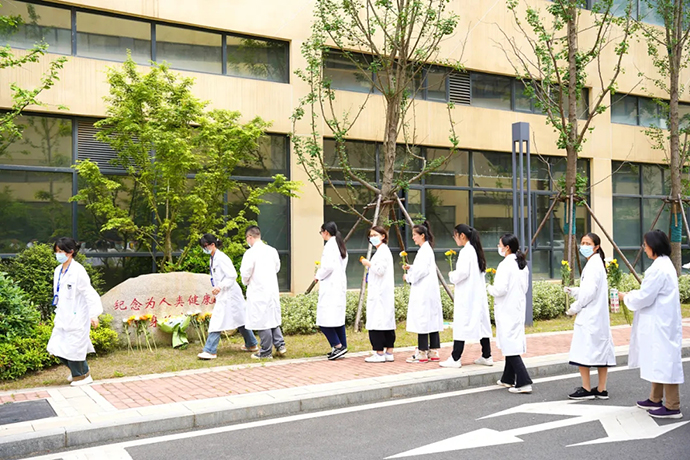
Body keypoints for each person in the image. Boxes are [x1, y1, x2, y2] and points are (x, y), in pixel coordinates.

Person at [620, 230, 684, 419]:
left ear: (654, 246)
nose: (644, 248)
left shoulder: (658, 269)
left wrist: (626, 297)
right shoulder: (664, 265)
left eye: (646, 245)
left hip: (661, 323)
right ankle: (655, 398)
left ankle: (672, 406)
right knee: (659, 359)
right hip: (661, 321)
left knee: (665, 361)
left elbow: (644, 296)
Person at [564, 232, 615, 400]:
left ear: (596, 247)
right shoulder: (596, 263)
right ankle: (601, 389)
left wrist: (574, 308)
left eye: (588, 243)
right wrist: (574, 291)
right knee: (601, 351)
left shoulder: (593, 265)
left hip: (590, 316)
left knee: (583, 351)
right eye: (583, 242)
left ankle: (586, 388)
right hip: (597, 316)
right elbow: (590, 290)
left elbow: (589, 293)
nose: (584, 246)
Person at [46, 237, 103, 386]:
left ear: (70, 252)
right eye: (56, 251)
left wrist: (94, 314)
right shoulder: (58, 271)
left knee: (74, 348)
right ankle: (79, 371)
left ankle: (82, 376)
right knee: (56, 347)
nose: (58, 254)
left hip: (77, 316)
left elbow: (89, 293)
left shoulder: (78, 270)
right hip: (63, 315)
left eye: (61, 251)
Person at [197, 233, 258, 360]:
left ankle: (210, 350)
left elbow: (232, 275)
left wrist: (220, 287)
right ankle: (251, 344)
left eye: (205, 246)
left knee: (217, 321)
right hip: (225, 293)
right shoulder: (213, 258)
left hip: (230, 293)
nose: (204, 248)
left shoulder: (221, 258)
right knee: (240, 318)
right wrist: (217, 291)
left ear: (212, 245)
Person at [440, 224, 493, 368]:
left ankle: (455, 357)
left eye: (455, 236)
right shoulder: (475, 250)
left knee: (461, 325)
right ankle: (487, 355)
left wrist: (452, 275)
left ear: (462, 235)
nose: (455, 239)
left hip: (467, 295)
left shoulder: (466, 252)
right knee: (481, 325)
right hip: (476, 295)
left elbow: (462, 273)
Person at [488, 233, 533, 394]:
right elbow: (525, 288)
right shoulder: (521, 264)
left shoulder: (505, 265)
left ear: (507, 247)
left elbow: (500, 289)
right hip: (516, 307)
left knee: (510, 345)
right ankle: (507, 378)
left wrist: (489, 288)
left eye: (500, 245)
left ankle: (524, 382)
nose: (498, 247)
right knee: (510, 342)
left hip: (507, 309)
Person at [240, 226, 286, 359]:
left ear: (250, 237)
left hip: (258, 290)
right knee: (272, 318)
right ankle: (280, 345)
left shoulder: (250, 253)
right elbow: (277, 267)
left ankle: (266, 351)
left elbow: (245, 273)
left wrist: (246, 282)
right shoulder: (272, 250)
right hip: (271, 290)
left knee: (262, 321)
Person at [403, 221, 443, 363]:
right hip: (428, 291)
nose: (413, 237)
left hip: (424, 292)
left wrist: (408, 277)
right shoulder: (426, 249)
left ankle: (422, 352)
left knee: (423, 320)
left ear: (422, 235)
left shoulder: (424, 251)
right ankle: (433, 350)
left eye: (415, 235)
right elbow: (422, 268)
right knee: (431, 320)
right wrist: (412, 267)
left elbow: (421, 271)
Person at [360, 226, 396, 363]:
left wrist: (368, 263)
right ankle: (389, 352)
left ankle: (379, 353)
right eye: (371, 236)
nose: (372, 238)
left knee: (377, 323)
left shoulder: (382, 252)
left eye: (375, 235)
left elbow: (380, 270)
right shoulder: (382, 251)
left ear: (383, 236)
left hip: (380, 293)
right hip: (382, 292)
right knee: (386, 322)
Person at [315, 221, 349, 360]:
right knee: (337, 319)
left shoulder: (330, 246)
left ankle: (337, 345)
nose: (321, 235)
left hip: (331, 287)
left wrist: (318, 275)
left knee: (324, 321)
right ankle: (342, 346)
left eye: (321, 232)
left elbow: (328, 267)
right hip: (338, 285)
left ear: (326, 232)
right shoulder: (340, 244)